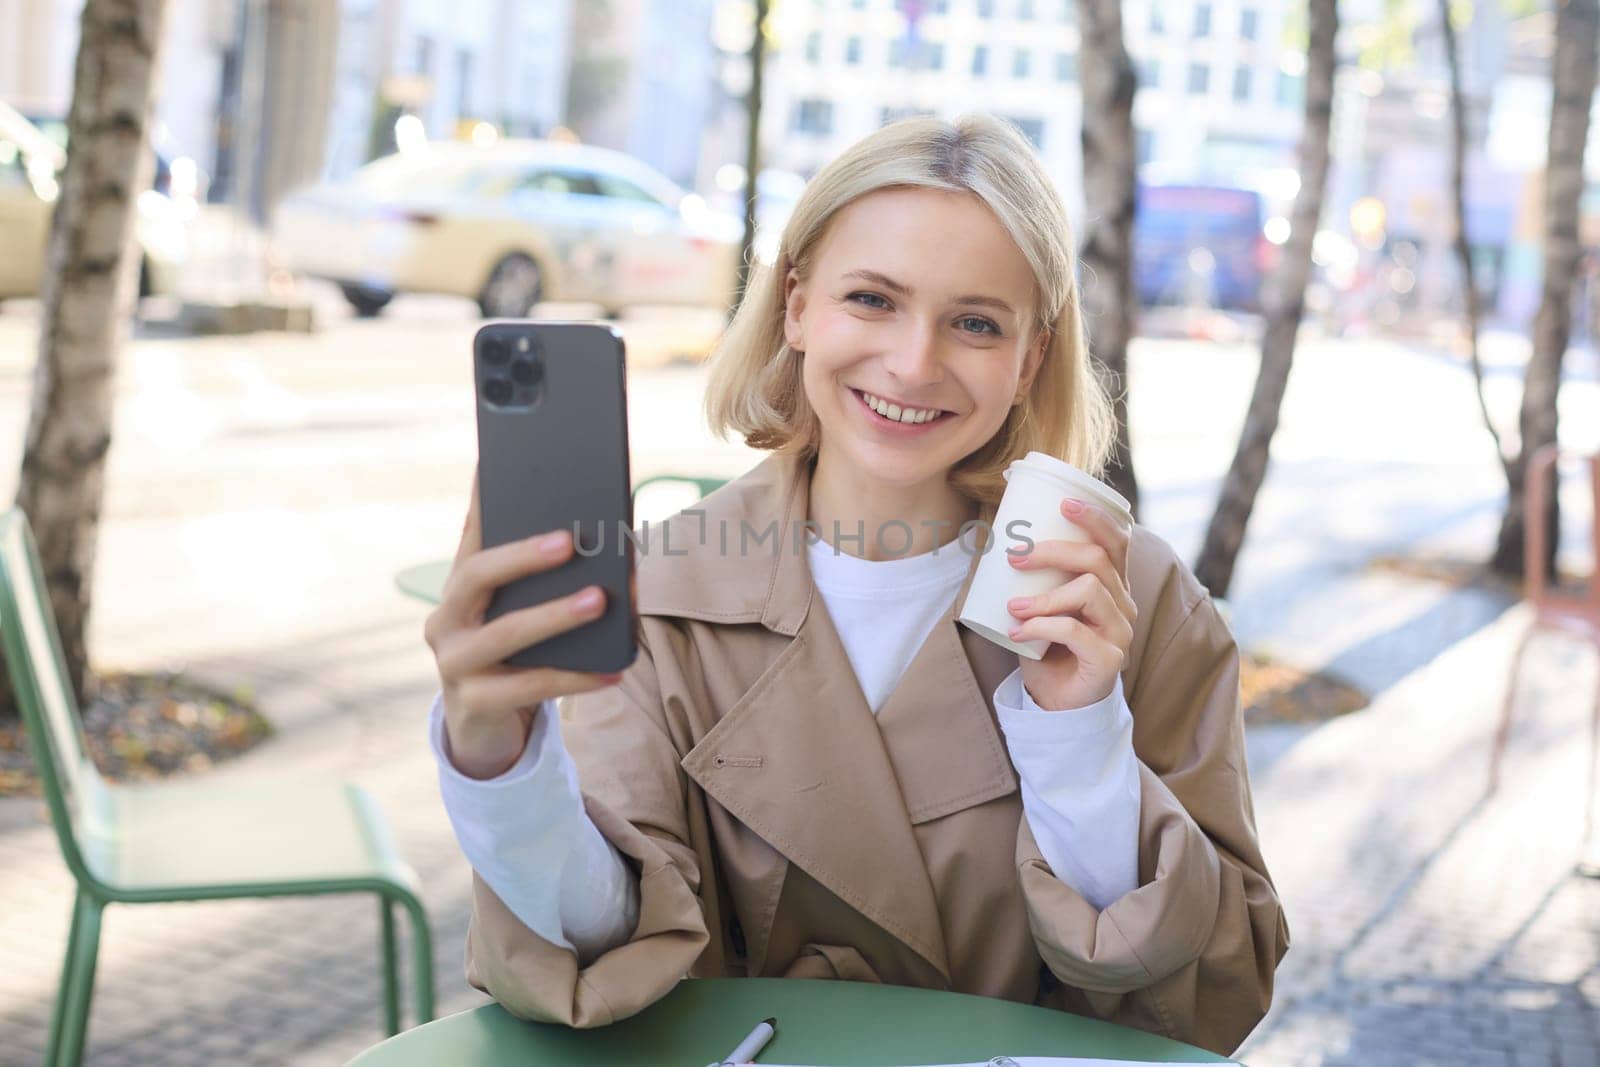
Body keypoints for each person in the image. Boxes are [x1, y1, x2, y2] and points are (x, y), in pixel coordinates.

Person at [424, 114, 1289, 1056]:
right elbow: (600, 943)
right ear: (796, 307)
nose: (914, 363)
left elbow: (1212, 997)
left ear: (1030, 358)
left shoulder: (1134, 602)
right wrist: (501, 765)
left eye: (974, 322)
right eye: (872, 299)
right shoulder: (659, 593)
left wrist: (1081, 737)